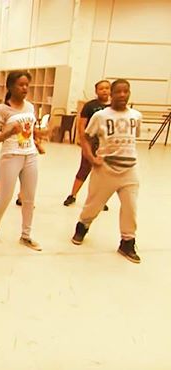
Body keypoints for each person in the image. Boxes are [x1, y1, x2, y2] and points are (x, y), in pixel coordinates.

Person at [71, 79, 142, 263]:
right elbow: (85, 138)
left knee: (130, 208)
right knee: (93, 204)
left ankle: (127, 241)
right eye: (117, 91)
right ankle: (82, 226)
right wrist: (91, 158)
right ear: (111, 94)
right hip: (106, 168)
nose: (122, 95)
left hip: (130, 170)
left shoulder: (136, 116)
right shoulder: (101, 116)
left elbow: (135, 138)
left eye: (125, 91)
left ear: (129, 93)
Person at [0, 70, 41, 251]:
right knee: (6, 196)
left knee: (29, 198)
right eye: (20, 85)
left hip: (30, 156)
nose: (25, 88)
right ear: (10, 87)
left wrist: (39, 141)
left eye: (27, 85)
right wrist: (8, 132)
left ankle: (26, 235)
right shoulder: (2, 110)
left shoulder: (30, 107)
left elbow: (31, 130)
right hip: (10, 156)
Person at [63, 80, 111, 210]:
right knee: (84, 168)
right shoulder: (90, 106)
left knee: (103, 171)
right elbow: (82, 124)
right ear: (96, 91)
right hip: (91, 141)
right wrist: (83, 140)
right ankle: (72, 195)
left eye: (107, 88)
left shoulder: (114, 106)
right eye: (101, 88)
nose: (105, 91)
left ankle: (99, 199)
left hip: (106, 143)